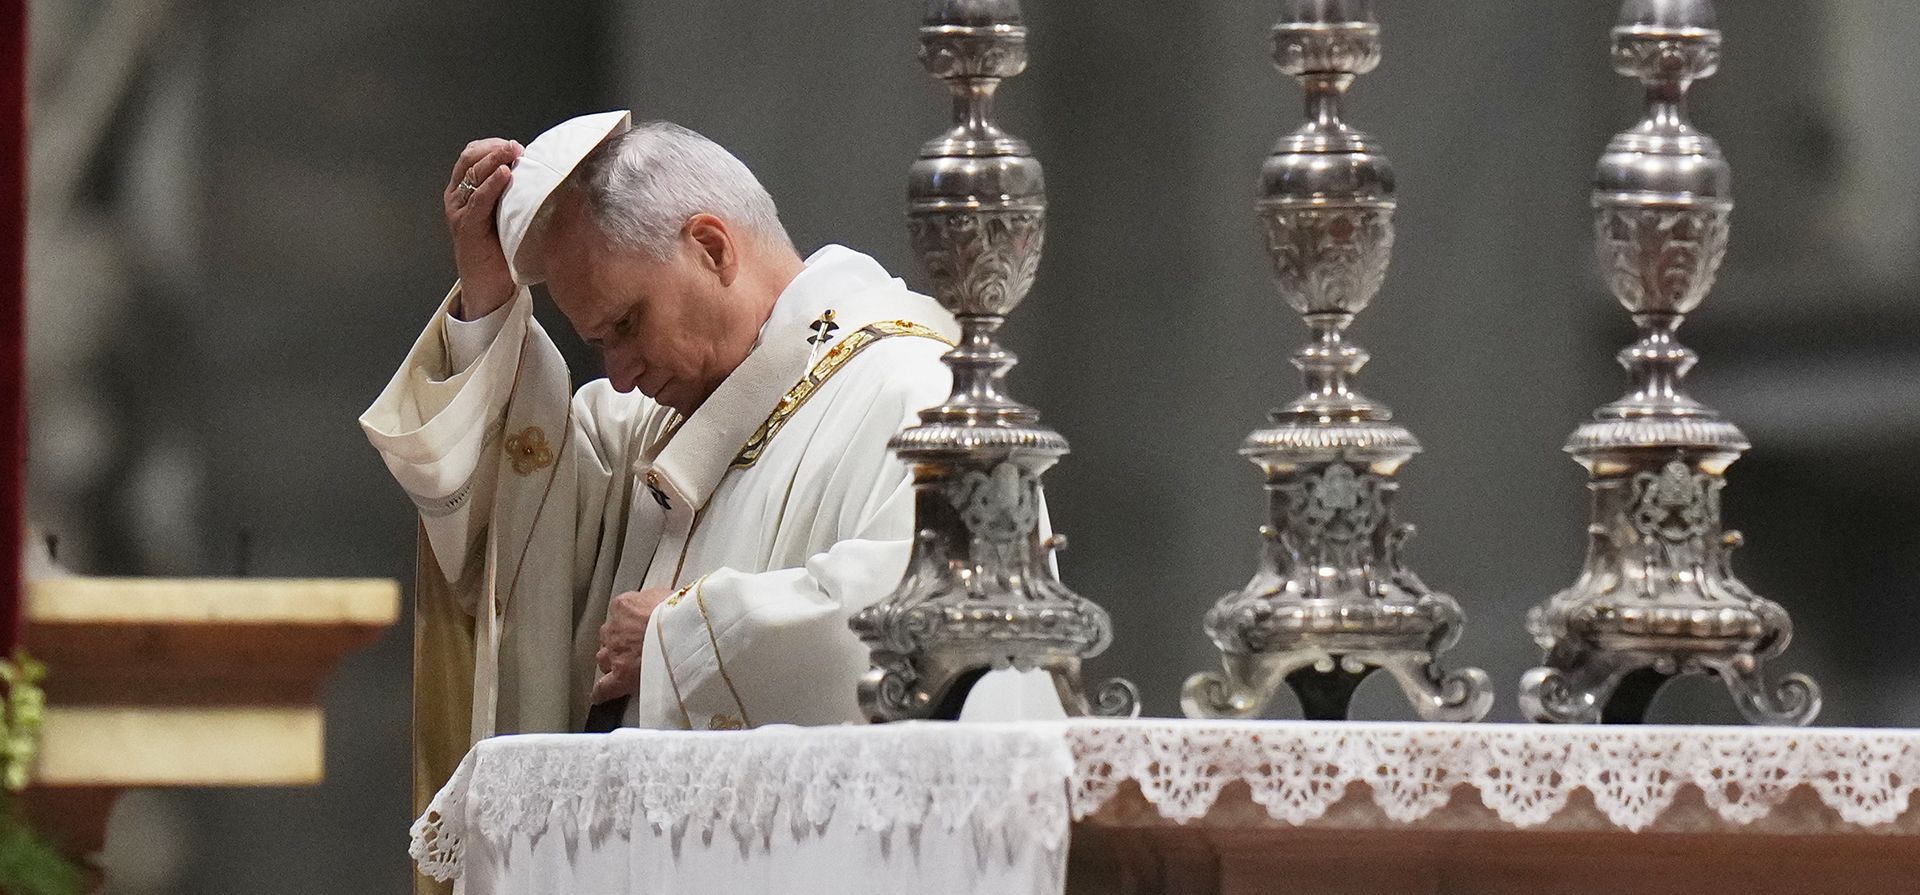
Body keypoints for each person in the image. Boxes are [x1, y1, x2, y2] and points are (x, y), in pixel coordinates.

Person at [360, 112, 969, 811]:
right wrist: (488, 299)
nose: (618, 376)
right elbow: (517, 517)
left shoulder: (914, 386)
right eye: (600, 344)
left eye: (627, 325)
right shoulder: (649, 428)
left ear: (712, 247)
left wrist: (687, 639)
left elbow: (933, 624)